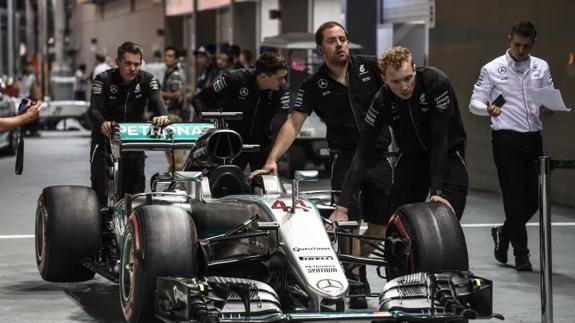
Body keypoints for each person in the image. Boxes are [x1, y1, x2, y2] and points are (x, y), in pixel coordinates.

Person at [250, 21, 392, 309]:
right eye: (332, 40)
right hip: (345, 159)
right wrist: (272, 159)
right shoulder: (314, 85)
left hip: (379, 158)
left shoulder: (371, 68)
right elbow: (294, 122)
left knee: (380, 226)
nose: (339, 44)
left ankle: (346, 266)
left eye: (343, 39)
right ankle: (355, 280)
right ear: (320, 48)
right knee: (349, 225)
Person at [333, 46, 468, 251]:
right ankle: (398, 276)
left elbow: (439, 139)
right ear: (384, 78)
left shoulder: (436, 82)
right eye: (396, 81)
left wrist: (437, 190)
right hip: (412, 159)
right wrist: (342, 205)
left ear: (415, 68)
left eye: (408, 78)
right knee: (396, 229)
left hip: (447, 156)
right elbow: (362, 151)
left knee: (444, 222)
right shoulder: (382, 100)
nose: (404, 87)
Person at [469, 21, 553, 271]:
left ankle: (503, 233)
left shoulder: (541, 67)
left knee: (535, 200)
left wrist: (549, 109)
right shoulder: (492, 68)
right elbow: (474, 102)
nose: (521, 50)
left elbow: (547, 100)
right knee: (514, 197)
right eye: (517, 44)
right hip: (506, 139)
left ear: (533, 43)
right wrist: (488, 109)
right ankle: (521, 254)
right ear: (510, 39)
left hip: (533, 138)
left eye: (526, 46)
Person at [89, 41, 170, 207]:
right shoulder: (103, 79)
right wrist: (103, 122)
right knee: (101, 188)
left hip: (134, 141)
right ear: (118, 63)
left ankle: (132, 227)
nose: (132, 68)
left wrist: (162, 116)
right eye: (128, 64)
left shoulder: (147, 79)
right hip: (105, 140)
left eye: (136, 64)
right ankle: (100, 225)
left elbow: (158, 102)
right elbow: (94, 109)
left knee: (135, 191)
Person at [192, 51, 290, 171]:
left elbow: (280, 123)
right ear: (264, 76)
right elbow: (199, 99)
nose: (284, 81)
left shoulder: (282, 90)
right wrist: (208, 126)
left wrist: (274, 155)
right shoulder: (234, 79)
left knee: (269, 184)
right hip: (231, 141)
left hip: (262, 143)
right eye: (280, 78)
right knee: (225, 184)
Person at [161, 46, 186, 171]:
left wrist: (161, 94)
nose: (167, 58)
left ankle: (179, 182)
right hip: (169, 115)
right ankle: (174, 179)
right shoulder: (169, 72)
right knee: (170, 151)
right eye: (166, 55)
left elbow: (177, 94)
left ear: (176, 59)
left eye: (170, 56)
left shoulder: (175, 74)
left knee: (175, 152)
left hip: (173, 115)